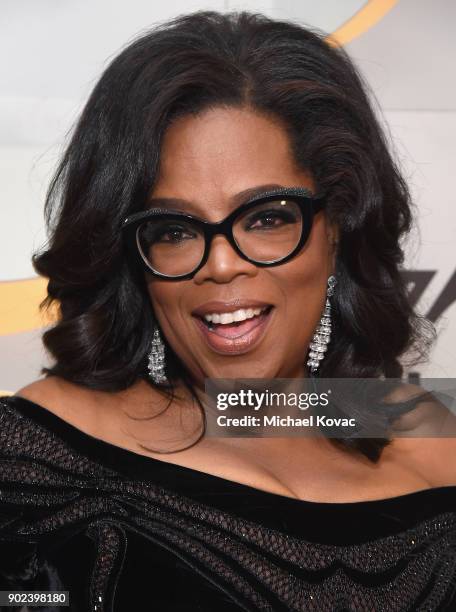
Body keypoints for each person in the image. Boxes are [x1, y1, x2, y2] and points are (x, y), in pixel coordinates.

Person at [1, 10, 455, 612]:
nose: (219, 265)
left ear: (338, 225)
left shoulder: (421, 430)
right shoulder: (39, 454)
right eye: (173, 229)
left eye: (266, 217)